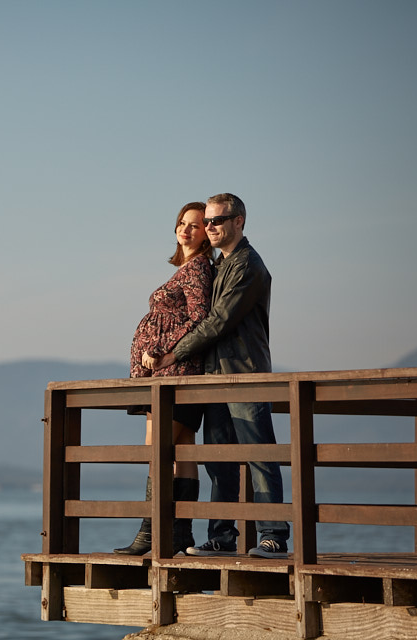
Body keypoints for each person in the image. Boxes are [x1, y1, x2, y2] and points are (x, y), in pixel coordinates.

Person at [151, 193, 290, 559]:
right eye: (207, 222)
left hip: (244, 375)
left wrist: (173, 355)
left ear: (239, 221)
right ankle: (222, 536)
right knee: (219, 460)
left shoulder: (247, 265)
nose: (210, 227)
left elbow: (219, 321)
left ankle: (273, 535)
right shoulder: (220, 265)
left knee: (259, 455)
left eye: (218, 221)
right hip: (213, 376)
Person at [114, 202, 214, 556]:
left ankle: (150, 531)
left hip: (174, 373)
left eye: (196, 225)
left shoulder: (198, 269)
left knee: (158, 452)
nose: (186, 230)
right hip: (169, 373)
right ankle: (178, 534)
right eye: (182, 224)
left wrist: (158, 347)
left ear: (207, 232)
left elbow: (200, 318)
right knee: (182, 448)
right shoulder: (187, 268)